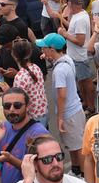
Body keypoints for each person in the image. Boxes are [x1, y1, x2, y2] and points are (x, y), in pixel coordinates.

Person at [35, 33, 86, 174]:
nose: (42, 51)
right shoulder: (66, 59)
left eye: (44, 48)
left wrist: (60, 118)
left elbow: (62, 95)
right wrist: (49, 58)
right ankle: (76, 170)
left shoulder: (59, 71)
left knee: (78, 147)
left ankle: (83, 174)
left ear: (52, 48)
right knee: (73, 145)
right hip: (75, 110)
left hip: (69, 114)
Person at [57, 0, 94, 112]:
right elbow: (73, 30)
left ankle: (91, 106)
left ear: (70, 4)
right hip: (75, 56)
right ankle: (86, 103)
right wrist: (61, 20)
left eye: (68, 3)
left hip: (80, 57)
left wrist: (65, 34)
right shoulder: (78, 15)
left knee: (85, 82)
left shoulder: (80, 19)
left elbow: (80, 41)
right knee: (81, 82)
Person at [10, 39, 47, 126]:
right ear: (30, 52)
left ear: (14, 55)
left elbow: (18, 101)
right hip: (43, 111)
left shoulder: (19, 77)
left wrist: (8, 91)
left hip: (31, 118)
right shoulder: (36, 67)